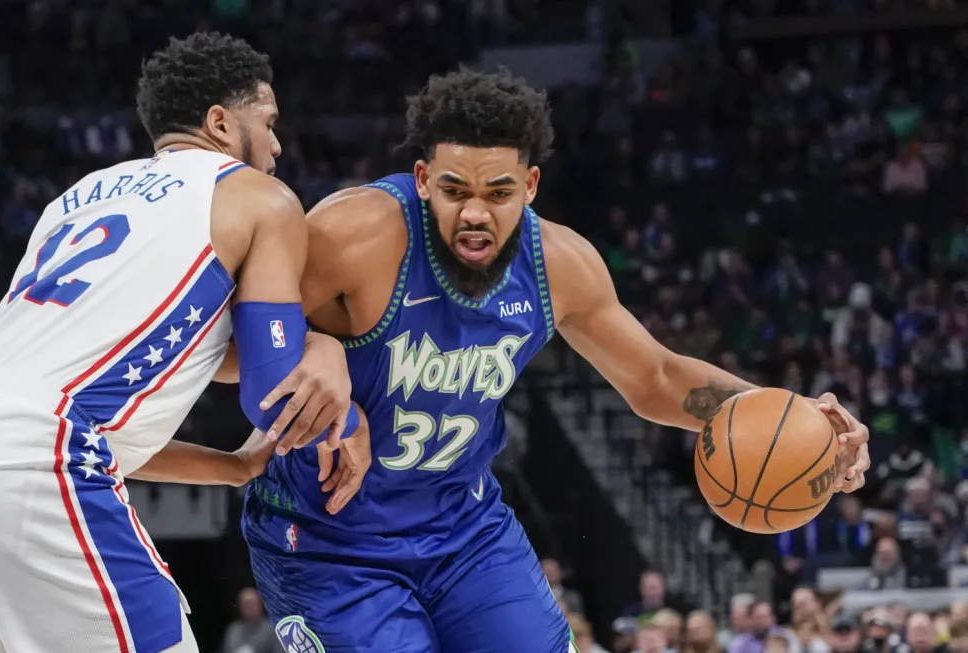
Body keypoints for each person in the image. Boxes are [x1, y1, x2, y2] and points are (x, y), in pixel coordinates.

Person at [234, 69, 871, 652]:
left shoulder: (557, 265)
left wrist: (794, 420)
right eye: (454, 189)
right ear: (424, 178)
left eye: (499, 192)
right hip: (328, 540)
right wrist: (315, 349)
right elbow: (224, 349)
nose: (475, 213)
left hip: (463, 528)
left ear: (531, 187)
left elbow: (655, 379)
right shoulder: (358, 233)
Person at [0, 32, 368, 653]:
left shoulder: (75, 198)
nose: (277, 144)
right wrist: (344, 405)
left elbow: (93, 415)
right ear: (221, 123)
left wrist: (232, 467)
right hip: (28, 448)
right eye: (269, 123)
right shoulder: (261, 198)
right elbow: (273, 389)